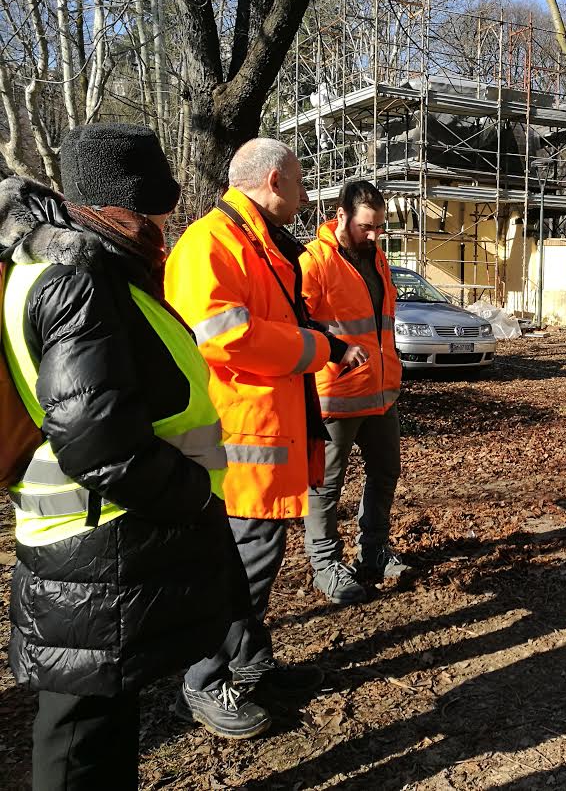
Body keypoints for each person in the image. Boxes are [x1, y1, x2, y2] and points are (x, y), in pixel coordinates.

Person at [0, 125, 242, 788]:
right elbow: (96, 440)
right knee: (83, 737)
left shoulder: (91, 267)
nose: (166, 220)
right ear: (120, 204)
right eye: (157, 205)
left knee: (99, 724)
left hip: (98, 542)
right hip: (94, 543)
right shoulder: (78, 279)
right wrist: (192, 492)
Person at [165, 138, 365, 738]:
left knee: (257, 559)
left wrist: (315, 342)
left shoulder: (257, 244)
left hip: (264, 437)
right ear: (275, 180)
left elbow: (270, 325)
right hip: (239, 442)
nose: (306, 198)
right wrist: (320, 348)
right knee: (244, 566)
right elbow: (225, 337)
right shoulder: (212, 242)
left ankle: (251, 666)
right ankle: (202, 685)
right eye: (302, 184)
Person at [299, 180, 408, 604]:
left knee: (385, 473)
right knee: (326, 487)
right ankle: (325, 565)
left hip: (382, 393)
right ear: (341, 215)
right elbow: (297, 322)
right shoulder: (314, 261)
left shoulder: (376, 258)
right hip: (336, 395)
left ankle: (374, 551)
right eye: (367, 226)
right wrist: (337, 350)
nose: (375, 235)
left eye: (380, 227)